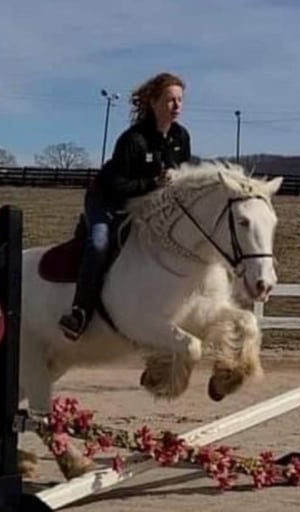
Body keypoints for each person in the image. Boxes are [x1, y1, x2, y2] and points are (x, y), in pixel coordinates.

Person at [58, 72, 192, 341]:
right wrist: (155, 181)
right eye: (169, 100)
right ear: (153, 103)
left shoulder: (181, 137)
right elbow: (118, 186)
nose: (177, 106)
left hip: (147, 205)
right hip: (107, 200)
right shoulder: (133, 139)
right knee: (98, 244)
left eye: (180, 100)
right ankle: (79, 312)